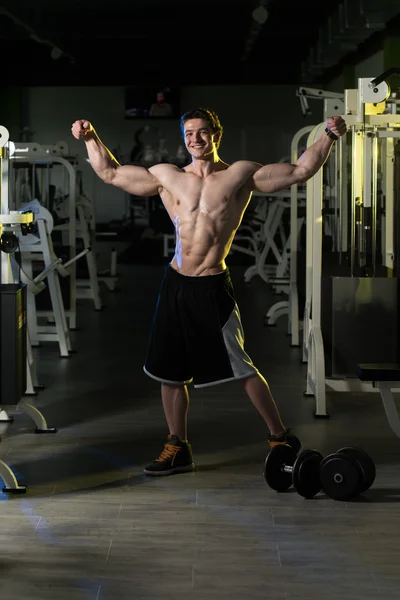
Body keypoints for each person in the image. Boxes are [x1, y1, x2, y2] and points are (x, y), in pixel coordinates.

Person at [71, 108, 347, 477]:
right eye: (189, 133)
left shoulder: (239, 175)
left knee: (242, 367)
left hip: (212, 285)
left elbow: (300, 171)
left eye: (202, 132)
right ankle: (177, 445)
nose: (195, 139)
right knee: (169, 371)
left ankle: (280, 437)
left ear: (217, 134)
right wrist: (90, 136)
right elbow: (110, 172)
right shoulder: (167, 176)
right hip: (176, 283)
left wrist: (328, 135)